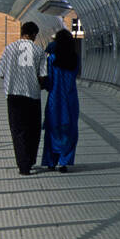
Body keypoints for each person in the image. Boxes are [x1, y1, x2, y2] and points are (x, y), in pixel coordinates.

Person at [0, 21, 47, 175]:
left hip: (14, 96)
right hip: (32, 96)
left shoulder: (9, 49)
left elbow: (0, 73)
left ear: (21, 32)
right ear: (33, 35)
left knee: (17, 130)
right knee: (33, 130)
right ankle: (30, 160)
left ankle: (22, 165)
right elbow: (43, 76)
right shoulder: (39, 51)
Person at [41, 27, 80, 171]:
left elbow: (49, 80)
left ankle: (51, 162)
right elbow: (75, 74)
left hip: (55, 99)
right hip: (70, 99)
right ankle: (64, 162)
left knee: (53, 130)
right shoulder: (74, 58)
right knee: (69, 131)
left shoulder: (52, 59)